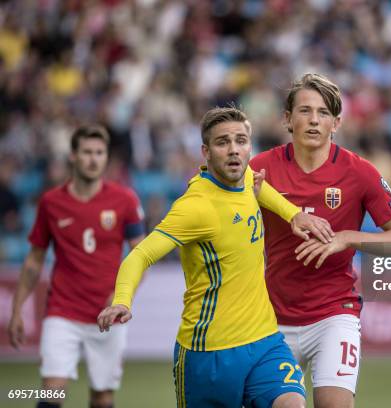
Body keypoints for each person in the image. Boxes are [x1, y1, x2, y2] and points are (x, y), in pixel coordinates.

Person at [97, 107, 334, 408]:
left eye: (241, 140)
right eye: (223, 142)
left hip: (265, 340)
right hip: (208, 355)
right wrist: (122, 299)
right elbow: (140, 254)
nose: (234, 150)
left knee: (292, 404)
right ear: (206, 152)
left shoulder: (246, 175)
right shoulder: (196, 207)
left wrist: (293, 214)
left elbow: (258, 188)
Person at [250, 73, 391, 408]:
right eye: (305, 111)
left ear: (336, 122)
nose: (314, 120)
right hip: (270, 317)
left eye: (324, 113)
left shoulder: (359, 172)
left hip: (334, 314)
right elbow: (210, 192)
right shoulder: (261, 169)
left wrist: (347, 238)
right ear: (287, 119)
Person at [8, 125, 146, 408]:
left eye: (99, 153)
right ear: (73, 156)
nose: (94, 159)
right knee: (52, 391)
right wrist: (17, 308)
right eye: (87, 152)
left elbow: (140, 254)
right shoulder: (51, 202)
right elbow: (35, 259)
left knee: (102, 397)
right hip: (63, 310)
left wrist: (122, 297)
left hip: (108, 313)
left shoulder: (125, 200)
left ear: (106, 157)